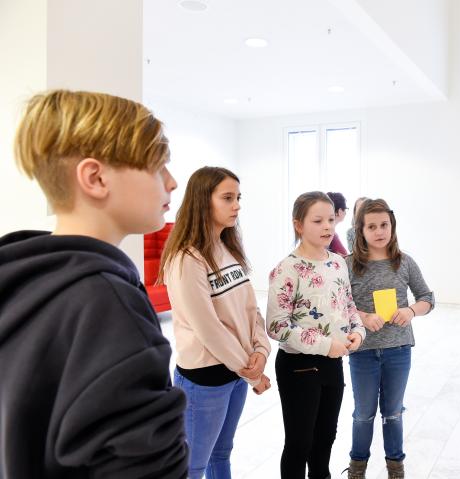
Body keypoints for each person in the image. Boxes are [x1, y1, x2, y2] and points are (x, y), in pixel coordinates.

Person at [0, 90, 187, 477]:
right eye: (158, 167)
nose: (172, 182)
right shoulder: (109, 308)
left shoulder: (22, 283)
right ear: (96, 177)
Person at [159, 166, 272, 479]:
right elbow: (207, 329)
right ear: (202, 201)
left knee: (222, 454)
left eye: (238, 198)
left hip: (236, 373)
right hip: (205, 378)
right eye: (228, 198)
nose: (237, 205)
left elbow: (251, 309)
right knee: (193, 465)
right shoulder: (185, 259)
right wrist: (251, 372)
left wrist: (262, 351)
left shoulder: (227, 248)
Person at [266, 191, 366, 479]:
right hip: (299, 366)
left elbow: (348, 306)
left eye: (331, 220)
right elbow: (277, 325)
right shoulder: (287, 268)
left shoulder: (337, 263)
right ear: (299, 225)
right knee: (300, 443)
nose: (327, 227)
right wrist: (325, 345)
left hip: (333, 363)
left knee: (325, 440)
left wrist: (357, 332)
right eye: (318, 220)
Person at [344, 199, 434, 479]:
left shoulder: (405, 262)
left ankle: (396, 466)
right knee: (363, 414)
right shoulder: (348, 265)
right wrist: (362, 316)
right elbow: (340, 305)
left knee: (393, 413)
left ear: (392, 227)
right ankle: (357, 467)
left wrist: (410, 310)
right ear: (360, 230)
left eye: (384, 225)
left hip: (398, 350)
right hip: (363, 351)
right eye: (372, 226)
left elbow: (427, 298)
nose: (379, 231)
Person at [326, 191, 348, 255]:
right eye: (345, 209)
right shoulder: (331, 234)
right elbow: (343, 255)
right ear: (339, 211)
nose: (346, 212)